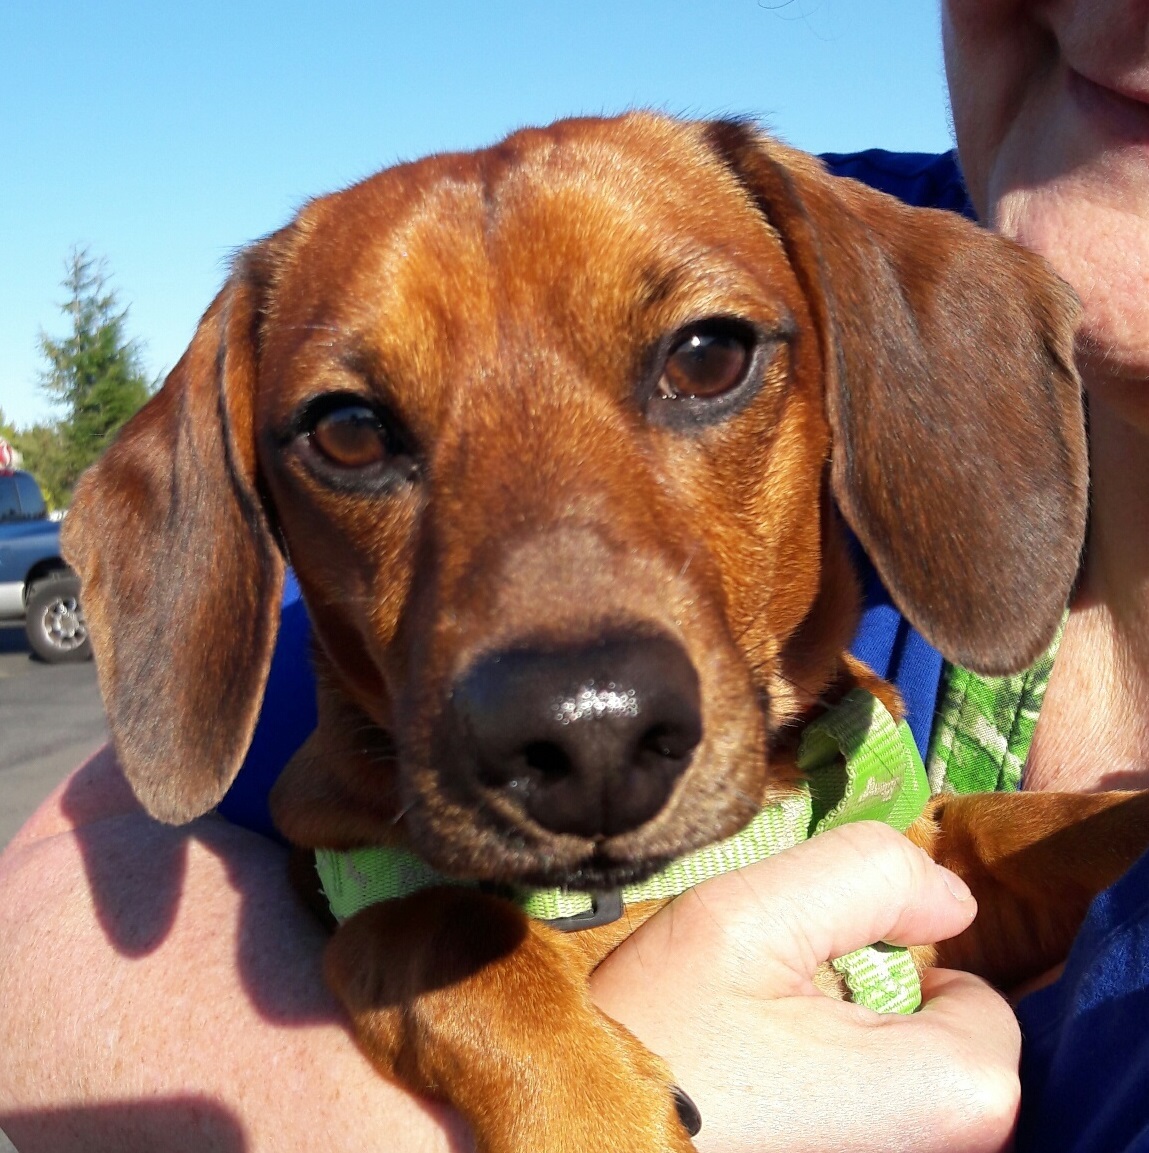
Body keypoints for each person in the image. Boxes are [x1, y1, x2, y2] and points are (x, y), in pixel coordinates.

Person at [2, 0, 1147, 1149]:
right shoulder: (727, 230)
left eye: (706, 359)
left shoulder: (806, 249)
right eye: (355, 436)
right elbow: (43, 915)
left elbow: (943, 867)